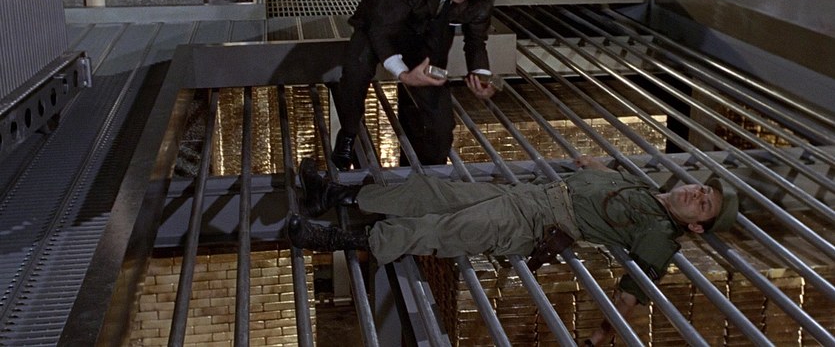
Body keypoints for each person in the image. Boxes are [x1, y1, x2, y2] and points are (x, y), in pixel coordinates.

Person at [287, 155, 739, 345]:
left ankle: (336, 240)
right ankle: (337, 196)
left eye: (703, 204)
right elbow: (603, 180)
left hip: (534, 222)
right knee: (432, 192)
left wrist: (601, 337)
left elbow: (631, 294)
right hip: (531, 194)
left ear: (696, 226)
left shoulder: (660, 234)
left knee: (444, 229)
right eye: (703, 188)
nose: (696, 194)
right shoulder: (644, 188)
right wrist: (595, 165)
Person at [331, 0, 497, 170]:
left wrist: (481, 76)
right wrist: (403, 74)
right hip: (380, 26)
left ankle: (429, 169)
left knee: (440, 124)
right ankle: (349, 133)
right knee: (356, 71)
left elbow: (476, 41)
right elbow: (380, 28)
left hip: (426, 36)